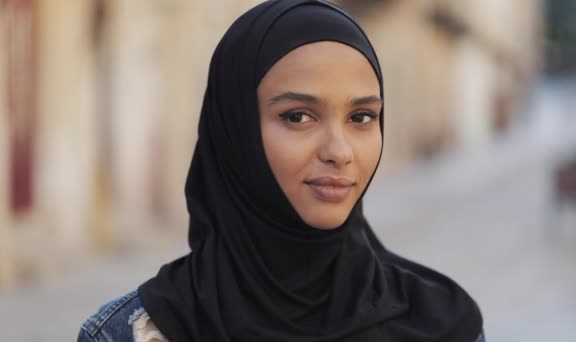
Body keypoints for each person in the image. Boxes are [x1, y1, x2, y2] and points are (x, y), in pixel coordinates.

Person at [78, 0, 485, 341]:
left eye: (361, 117)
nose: (339, 151)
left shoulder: (443, 325)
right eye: (297, 116)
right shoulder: (135, 333)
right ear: (235, 131)